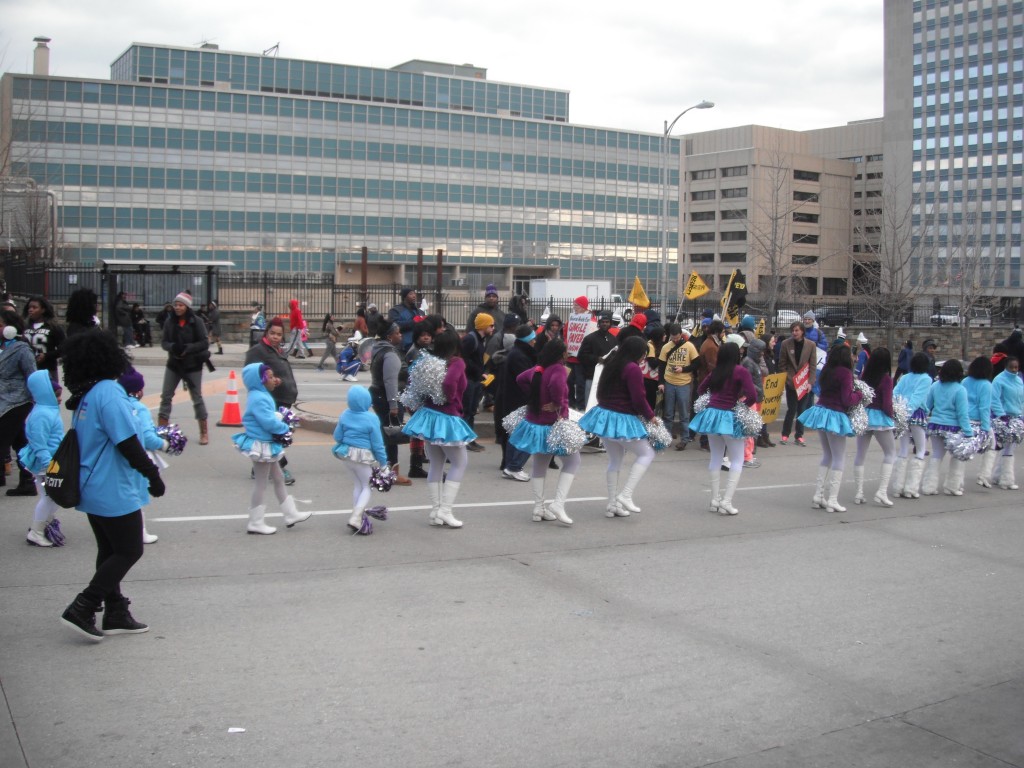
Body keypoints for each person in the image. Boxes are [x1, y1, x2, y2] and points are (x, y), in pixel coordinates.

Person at [59, 328, 165, 642]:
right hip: (111, 487)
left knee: (109, 550)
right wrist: (153, 474)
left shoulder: (88, 395)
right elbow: (128, 442)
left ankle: (116, 610)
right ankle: (84, 605)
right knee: (130, 549)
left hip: (91, 484)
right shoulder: (108, 392)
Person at [578, 336, 661, 518]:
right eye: (643, 354)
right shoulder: (632, 368)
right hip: (622, 418)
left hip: (606, 416)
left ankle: (612, 504)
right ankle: (625, 494)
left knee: (615, 460)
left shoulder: (613, 363)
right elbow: (639, 398)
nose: (644, 358)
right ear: (636, 353)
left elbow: (600, 390)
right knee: (647, 453)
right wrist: (651, 416)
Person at [402, 328, 477, 528]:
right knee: (460, 463)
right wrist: (450, 398)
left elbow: (414, 382)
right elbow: (451, 383)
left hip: (428, 415)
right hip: (447, 416)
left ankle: (436, 511)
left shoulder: (431, 361)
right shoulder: (456, 362)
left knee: (436, 464)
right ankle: (445, 510)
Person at [232, 363, 311, 535]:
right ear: (259, 380)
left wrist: (278, 417)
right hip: (262, 445)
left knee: (278, 477)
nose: (274, 379)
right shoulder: (258, 397)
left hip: (266, 443)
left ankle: (291, 514)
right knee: (261, 483)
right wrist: (284, 428)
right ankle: (255, 521)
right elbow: (267, 421)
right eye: (269, 376)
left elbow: (267, 416)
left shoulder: (259, 394)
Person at [509, 337, 578, 524]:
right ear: (561, 354)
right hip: (553, 424)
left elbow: (520, 379)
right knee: (573, 461)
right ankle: (558, 504)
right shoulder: (558, 370)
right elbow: (557, 388)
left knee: (540, 464)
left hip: (536, 423)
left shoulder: (540, 368)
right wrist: (556, 403)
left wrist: (535, 396)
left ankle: (538, 508)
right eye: (566, 351)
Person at [690, 340, 758, 515]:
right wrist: (740, 406)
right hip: (729, 415)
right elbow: (752, 395)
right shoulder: (740, 371)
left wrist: (712, 399)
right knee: (737, 460)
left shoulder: (715, 372)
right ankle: (726, 501)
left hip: (712, 416)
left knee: (716, 458)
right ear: (737, 355)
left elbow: (700, 389)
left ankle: (714, 500)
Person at [799, 344, 864, 512]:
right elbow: (847, 399)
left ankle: (818, 496)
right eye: (850, 354)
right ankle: (832, 499)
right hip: (835, 415)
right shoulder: (845, 373)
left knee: (827, 455)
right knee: (839, 457)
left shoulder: (827, 370)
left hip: (821, 412)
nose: (853, 357)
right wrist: (860, 394)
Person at [118, 367, 171, 544]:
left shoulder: (117, 403)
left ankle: (123, 528)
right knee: (137, 494)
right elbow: (147, 437)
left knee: (125, 492)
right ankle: (140, 531)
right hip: (138, 455)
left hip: (120, 454)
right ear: (138, 390)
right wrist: (164, 444)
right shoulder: (139, 408)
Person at [245, 317, 299, 485]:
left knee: (273, 436)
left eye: (279, 334)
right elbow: (250, 374)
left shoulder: (278, 350)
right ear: (266, 333)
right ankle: (280, 468)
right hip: (272, 398)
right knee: (275, 435)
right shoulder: (258, 351)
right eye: (272, 333)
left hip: (285, 397)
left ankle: (259, 468)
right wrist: (270, 381)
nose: (275, 337)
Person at [332, 385, 389, 533]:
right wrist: (383, 464)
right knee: (367, 487)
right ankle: (356, 517)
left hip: (346, 455)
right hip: (362, 457)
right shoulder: (371, 418)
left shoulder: (345, 414)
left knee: (358, 485)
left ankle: (359, 517)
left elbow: (337, 436)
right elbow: (377, 445)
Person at [18, 371, 63, 545]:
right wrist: (49, 465)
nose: (60, 399)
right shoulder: (42, 414)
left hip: (49, 463)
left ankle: (43, 525)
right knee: (50, 496)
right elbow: (39, 443)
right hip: (45, 465)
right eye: (57, 395)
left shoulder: (47, 410)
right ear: (47, 394)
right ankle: (37, 531)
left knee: (52, 495)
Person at [159, 292, 210, 445]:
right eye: (176, 305)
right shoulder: (170, 322)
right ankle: (161, 430)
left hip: (192, 365)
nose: (177, 308)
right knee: (166, 396)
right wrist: (173, 347)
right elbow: (164, 343)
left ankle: (204, 432)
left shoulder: (197, 321)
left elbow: (204, 343)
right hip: (174, 365)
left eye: (181, 305)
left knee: (197, 398)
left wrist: (188, 348)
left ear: (187, 307)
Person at [921, 359, 973, 496]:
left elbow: (927, 406)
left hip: (935, 425)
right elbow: (962, 414)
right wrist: (968, 432)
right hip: (954, 428)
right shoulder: (960, 389)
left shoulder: (935, 386)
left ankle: (929, 486)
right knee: (956, 456)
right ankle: (952, 486)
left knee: (937, 455)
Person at [369, 318, 412, 485]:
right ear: (389, 336)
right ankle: (392, 473)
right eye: (397, 333)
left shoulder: (377, 349)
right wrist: (394, 405)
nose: (400, 335)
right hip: (386, 398)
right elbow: (390, 381)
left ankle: (385, 469)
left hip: (377, 394)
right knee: (392, 435)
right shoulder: (390, 354)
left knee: (386, 434)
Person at [852, 347, 896, 506]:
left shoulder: (865, 375)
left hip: (864, 416)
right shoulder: (886, 379)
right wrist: (893, 417)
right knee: (891, 453)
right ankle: (882, 492)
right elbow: (887, 404)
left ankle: (858, 493)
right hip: (880, 419)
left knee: (860, 455)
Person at [0, 310, 37, 494]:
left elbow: (32, 375)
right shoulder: (2, 347)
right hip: (3, 402)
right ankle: (28, 481)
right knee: (20, 442)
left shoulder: (21, 349)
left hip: (16, 402)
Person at [495, 324, 537, 482]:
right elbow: (525, 379)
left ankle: (510, 465)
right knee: (523, 434)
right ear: (527, 340)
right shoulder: (519, 356)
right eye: (532, 339)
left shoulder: (520, 353)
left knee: (517, 433)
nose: (535, 342)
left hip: (516, 399)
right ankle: (513, 466)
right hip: (518, 400)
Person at [891, 352, 934, 499]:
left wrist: (900, 413)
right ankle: (911, 488)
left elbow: (894, 393)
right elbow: (917, 398)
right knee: (921, 450)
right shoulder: (926, 379)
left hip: (901, 414)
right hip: (916, 415)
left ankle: (898, 487)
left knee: (903, 449)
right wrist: (908, 412)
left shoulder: (905, 377)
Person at [403, 319, 436, 479]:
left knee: (419, 430)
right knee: (418, 430)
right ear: (416, 337)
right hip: (416, 396)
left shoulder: (426, 350)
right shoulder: (415, 353)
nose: (425, 338)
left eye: (428, 335)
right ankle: (415, 466)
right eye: (422, 335)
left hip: (419, 395)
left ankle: (418, 459)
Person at [658, 323, 699, 450]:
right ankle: (667, 437)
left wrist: (684, 369)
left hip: (684, 384)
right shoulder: (666, 347)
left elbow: (696, 363)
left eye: (677, 337)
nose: (675, 340)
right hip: (669, 382)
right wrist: (661, 383)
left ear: (681, 335)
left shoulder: (689, 347)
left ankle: (685, 439)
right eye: (673, 338)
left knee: (683, 414)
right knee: (668, 413)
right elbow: (661, 366)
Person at [964, 356, 1000, 490]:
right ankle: (984, 476)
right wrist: (986, 428)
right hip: (978, 420)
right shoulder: (986, 385)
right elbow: (984, 408)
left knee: (961, 452)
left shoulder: (965, 381)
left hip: (964, 420)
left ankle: (955, 481)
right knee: (992, 445)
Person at [778, 320, 817, 447]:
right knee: (791, 409)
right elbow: (782, 364)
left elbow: (812, 365)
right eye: (793, 330)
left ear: (802, 332)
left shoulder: (811, 345)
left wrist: (810, 382)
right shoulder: (786, 344)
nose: (794, 333)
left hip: (804, 383)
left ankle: (799, 435)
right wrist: (787, 379)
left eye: (797, 330)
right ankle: (785, 434)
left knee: (802, 410)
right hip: (791, 382)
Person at [461, 311, 494, 451]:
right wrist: (479, 372)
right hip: (469, 380)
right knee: (467, 411)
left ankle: (471, 438)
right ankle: (465, 440)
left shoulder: (480, 339)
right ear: (484, 325)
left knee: (472, 411)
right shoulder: (471, 339)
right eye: (491, 325)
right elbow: (465, 359)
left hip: (475, 380)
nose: (493, 328)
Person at [989, 356, 1023, 490]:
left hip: (1017, 418)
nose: (1014, 370)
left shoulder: (1019, 380)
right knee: (1007, 449)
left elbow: (1021, 399)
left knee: (1009, 448)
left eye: (1016, 367)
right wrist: (1001, 415)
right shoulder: (999, 380)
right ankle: (1006, 480)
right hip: (1003, 418)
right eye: (1011, 367)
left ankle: (998, 476)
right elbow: (995, 399)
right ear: (1006, 366)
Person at [737, 335, 767, 469]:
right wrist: (757, 391)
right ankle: (746, 457)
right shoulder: (749, 363)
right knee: (748, 430)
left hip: (751, 398)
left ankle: (747, 455)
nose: (762, 354)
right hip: (748, 399)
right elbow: (746, 382)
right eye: (760, 351)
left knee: (750, 429)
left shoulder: (752, 362)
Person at [577, 311, 617, 409]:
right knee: (590, 404)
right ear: (598, 323)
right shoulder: (589, 339)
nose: (605, 324)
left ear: (610, 323)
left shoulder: (613, 339)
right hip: (591, 376)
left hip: (607, 377)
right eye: (603, 322)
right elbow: (581, 356)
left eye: (607, 322)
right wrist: (597, 359)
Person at [22, 296, 65, 379]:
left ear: (43, 310)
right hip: (27, 371)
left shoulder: (53, 328)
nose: (30, 310)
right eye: (29, 307)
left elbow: (64, 348)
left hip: (47, 371)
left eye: (34, 307)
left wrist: (46, 356)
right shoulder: (25, 327)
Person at [387, 288, 425, 353]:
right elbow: (394, 326)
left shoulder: (420, 312)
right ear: (404, 297)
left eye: (414, 294)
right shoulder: (395, 310)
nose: (414, 296)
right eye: (411, 294)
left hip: (419, 347)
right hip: (403, 347)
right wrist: (413, 322)